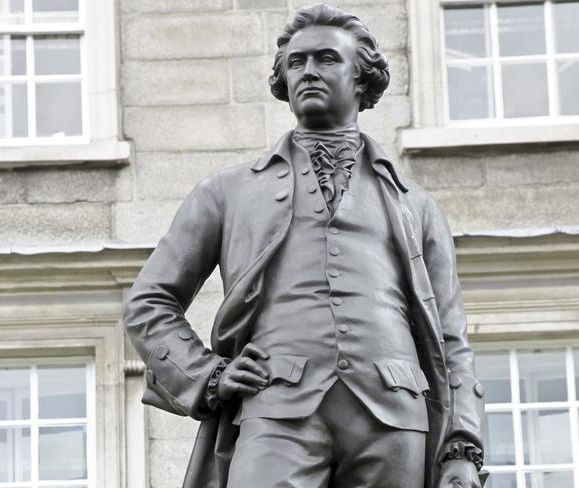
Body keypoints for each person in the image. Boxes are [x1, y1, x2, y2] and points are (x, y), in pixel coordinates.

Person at [123, 4, 484, 487]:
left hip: (395, 414)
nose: (308, 71)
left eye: (326, 59)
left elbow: (451, 337)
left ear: (362, 77)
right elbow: (149, 301)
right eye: (297, 62)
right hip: (276, 407)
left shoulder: (414, 205)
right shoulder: (227, 192)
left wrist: (462, 444)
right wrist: (207, 375)